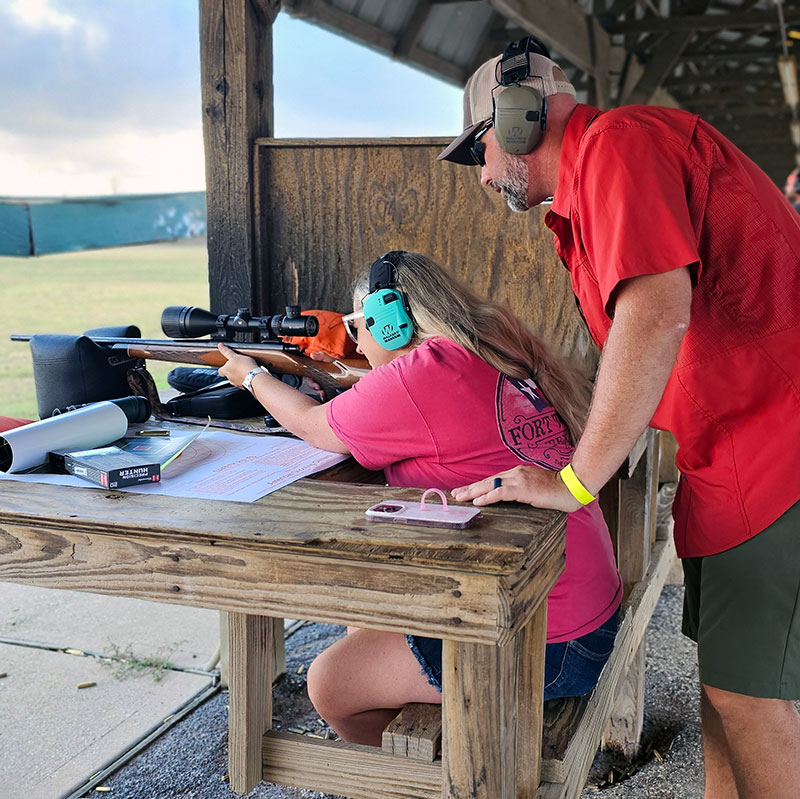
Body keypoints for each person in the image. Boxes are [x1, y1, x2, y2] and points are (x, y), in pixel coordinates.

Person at [439, 35, 800, 799]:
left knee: (749, 697)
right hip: (731, 453)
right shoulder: (598, 179)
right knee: (726, 684)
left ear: (516, 120)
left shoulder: (615, 146)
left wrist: (574, 480)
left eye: (478, 153)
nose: (481, 178)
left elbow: (656, 314)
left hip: (774, 445)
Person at [217, 250, 622, 745]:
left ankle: (420, 773)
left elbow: (312, 426)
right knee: (364, 613)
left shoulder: (424, 372)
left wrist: (249, 376)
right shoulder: (494, 340)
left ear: (392, 320)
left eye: (358, 323)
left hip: (544, 641)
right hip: (585, 611)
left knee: (328, 684)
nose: (357, 341)